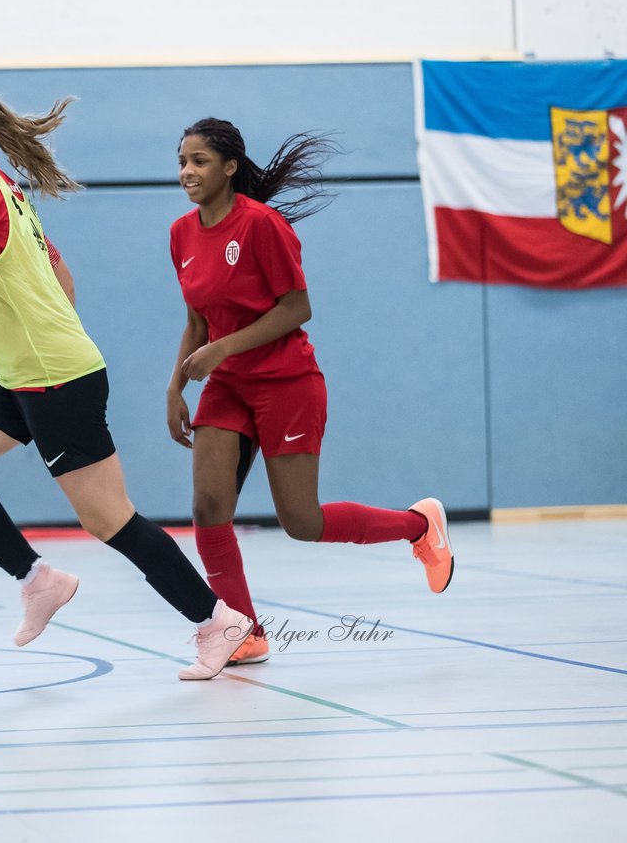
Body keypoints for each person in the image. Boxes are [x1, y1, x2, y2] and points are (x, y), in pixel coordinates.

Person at [0, 83, 250, 681]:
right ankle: (39, 580)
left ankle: (218, 622)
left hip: (54, 380)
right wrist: (45, 329)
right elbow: (57, 269)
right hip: (23, 375)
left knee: (110, 520)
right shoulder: (2, 184)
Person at [165, 118, 455, 666]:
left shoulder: (263, 225)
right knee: (208, 506)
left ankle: (420, 525)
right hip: (227, 386)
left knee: (302, 522)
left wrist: (223, 350)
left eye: (199, 161)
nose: (187, 172)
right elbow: (197, 323)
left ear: (229, 167)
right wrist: (175, 387)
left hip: (285, 382)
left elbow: (297, 308)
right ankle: (243, 632)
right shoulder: (181, 233)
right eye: (181, 161)